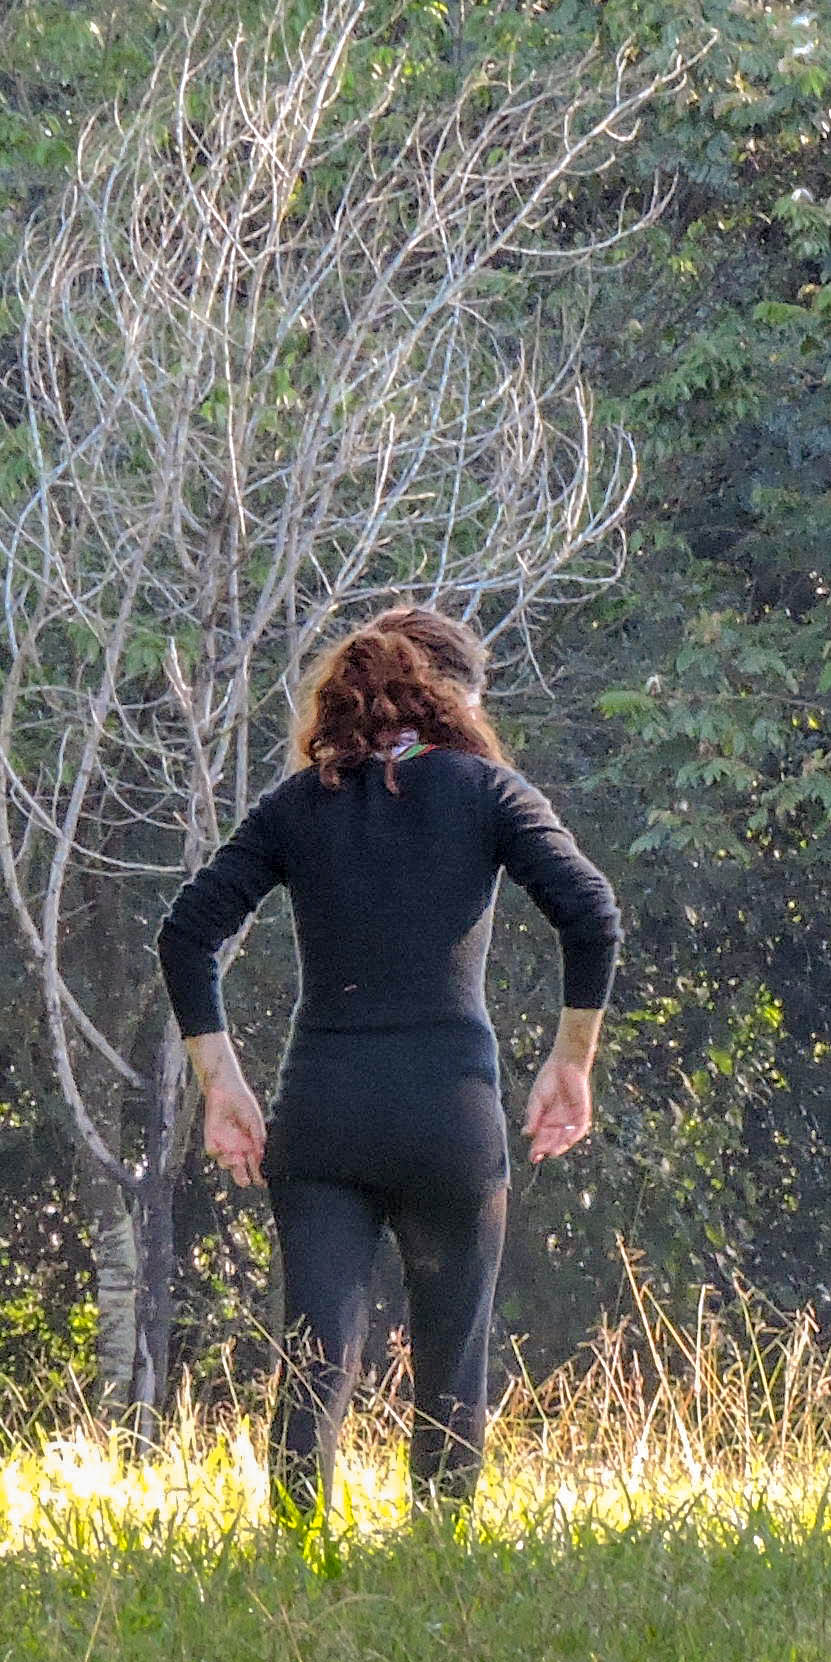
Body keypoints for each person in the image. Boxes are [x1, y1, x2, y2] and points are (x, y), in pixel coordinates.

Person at [158, 607, 620, 1524]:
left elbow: (187, 934)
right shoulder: (488, 791)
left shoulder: (298, 804)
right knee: (453, 1360)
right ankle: (437, 1559)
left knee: (314, 1359)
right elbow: (592, 911)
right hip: (450, 1116)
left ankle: (297, 1560)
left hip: (323, 1114)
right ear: (456, 696)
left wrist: (223, 1085)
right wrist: (571, 1062)